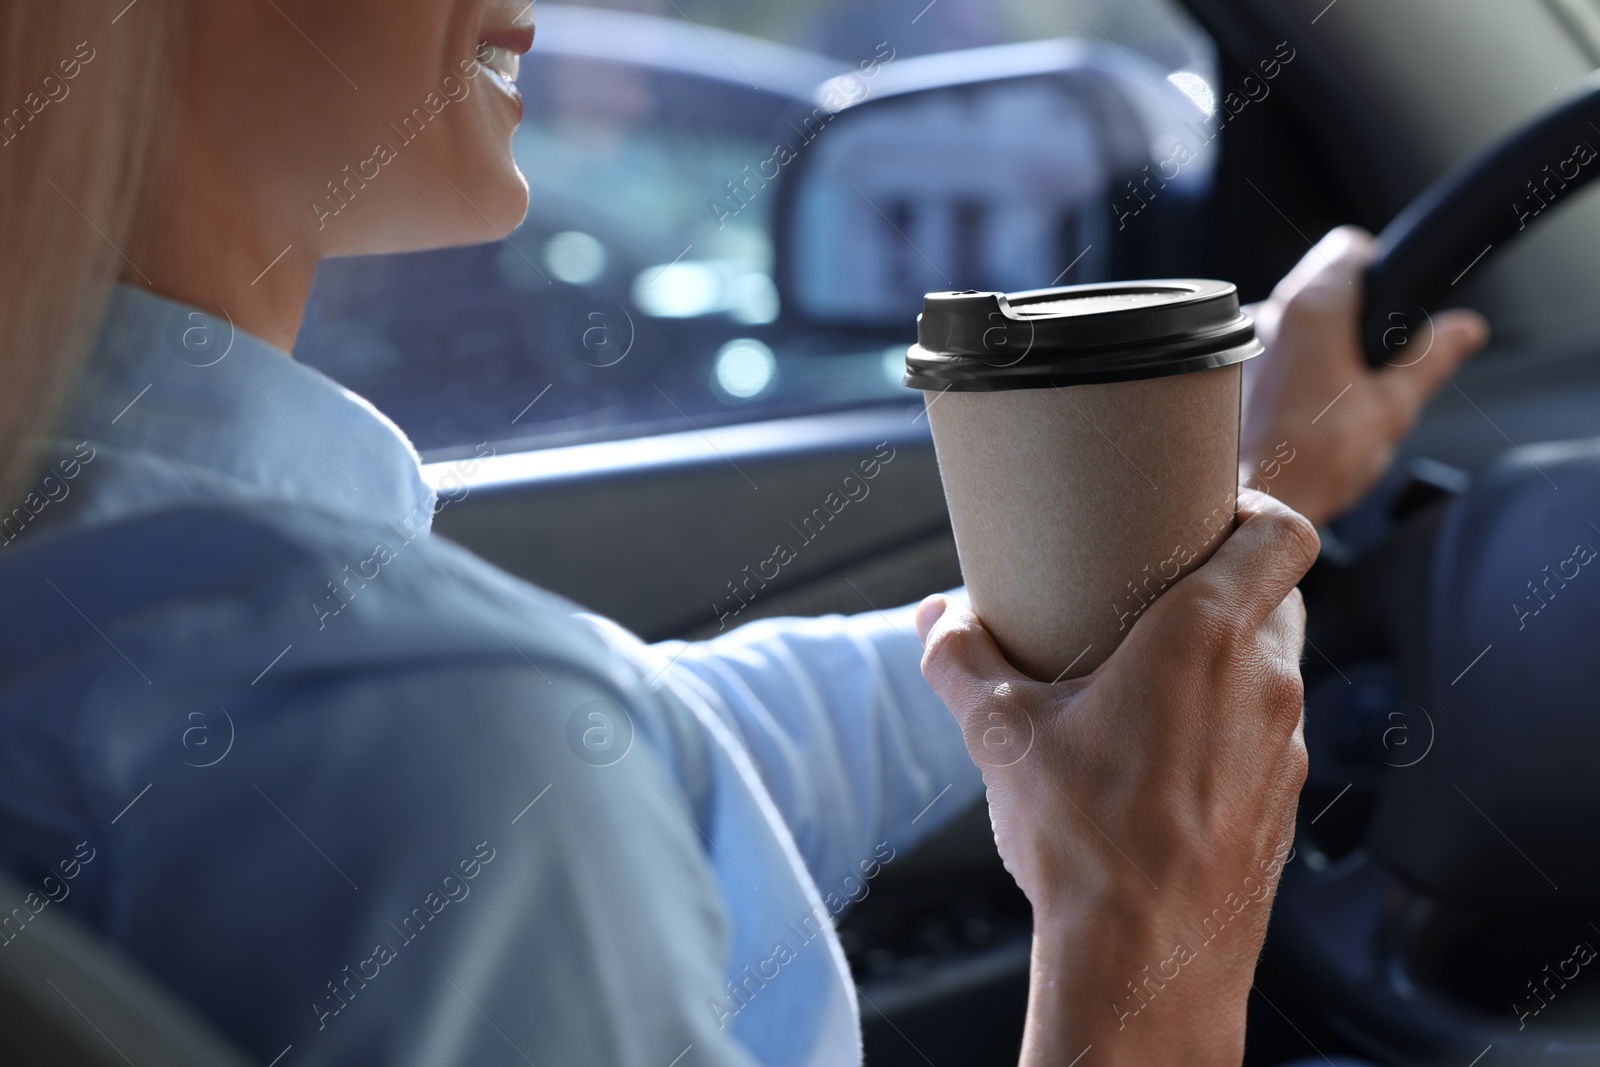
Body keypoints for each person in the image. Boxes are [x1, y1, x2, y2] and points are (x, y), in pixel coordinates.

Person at [0, 2, 1487, 1065]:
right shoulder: (408, 729)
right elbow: (529, 757)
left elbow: (675, 745)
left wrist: (1231, 485)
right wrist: (1148, 940)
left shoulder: (136, 591)